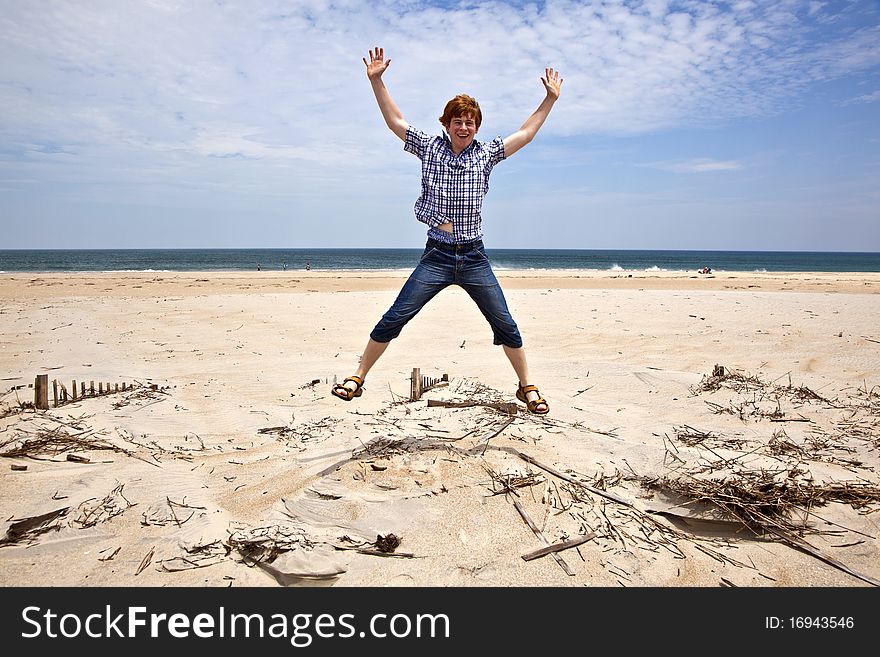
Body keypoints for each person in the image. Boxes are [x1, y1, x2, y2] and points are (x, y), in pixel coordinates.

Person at [331, 47, 562, 415]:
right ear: (447, 123)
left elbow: (526, 133)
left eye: (470, 122)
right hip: (437, 255)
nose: (464, 127)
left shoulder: (485, 154)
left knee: (505, 323)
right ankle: (358, 377)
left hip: (473, 257)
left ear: (477, 127)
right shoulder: (429, 147)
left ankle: (526, 386)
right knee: (395, 316)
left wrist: (549, 99)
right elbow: (395, 122)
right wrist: (377, 81)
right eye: (458, 120)